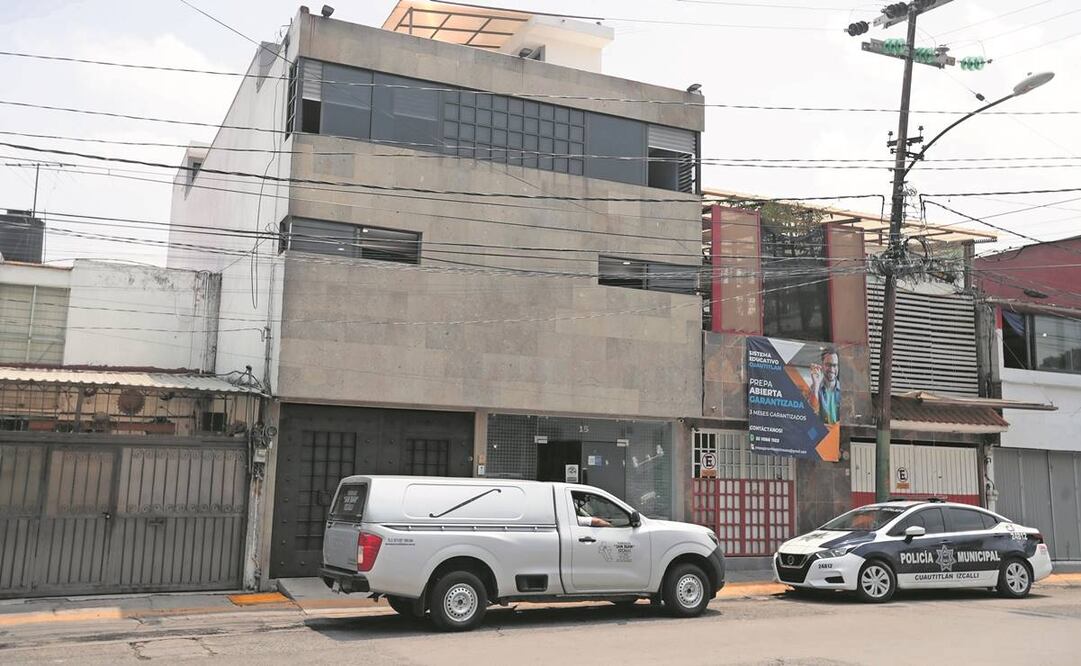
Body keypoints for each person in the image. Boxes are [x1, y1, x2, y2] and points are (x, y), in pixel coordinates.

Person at [809, 348, 841, 425]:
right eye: (828, 365)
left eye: (835, 365)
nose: (832, 369)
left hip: (838, 435)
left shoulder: (845, 391)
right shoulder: (815, 388)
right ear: (822, 365)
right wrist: (816, 387)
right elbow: (810, 415)